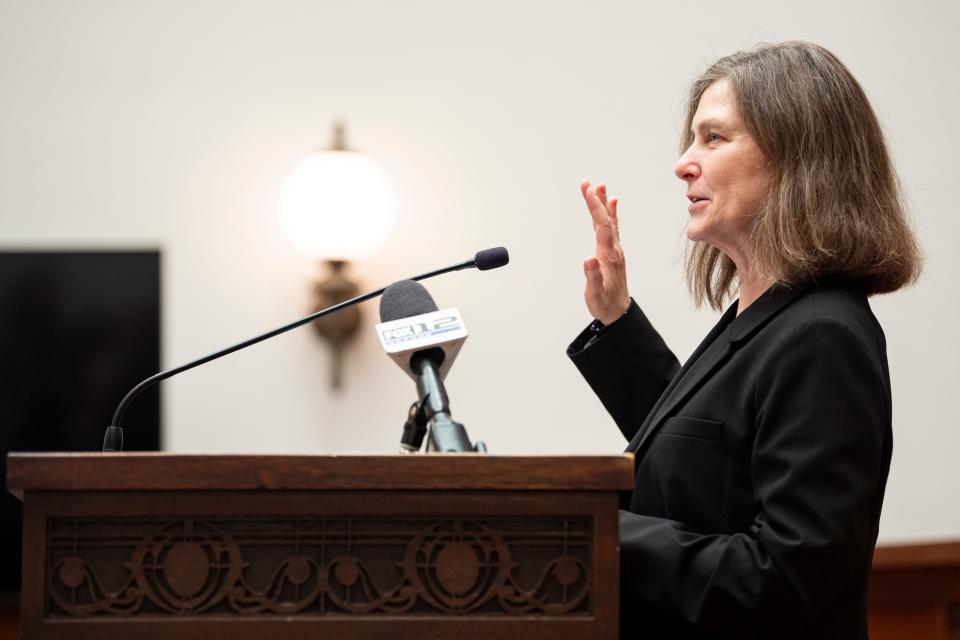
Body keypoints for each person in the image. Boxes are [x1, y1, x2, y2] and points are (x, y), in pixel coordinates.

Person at [568, 41, 922, 640]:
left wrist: (590, 528)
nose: (683, 162)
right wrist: (619, 322)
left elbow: (782, 581)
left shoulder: (823, 336)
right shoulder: (764, 319)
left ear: (795, 156)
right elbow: (700, 462)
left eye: (713, 138)